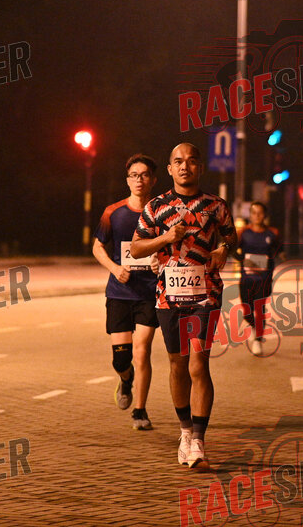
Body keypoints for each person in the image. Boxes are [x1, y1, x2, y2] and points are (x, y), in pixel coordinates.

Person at [131, 142, 236, 469]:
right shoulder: (156, 207)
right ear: (170, 168)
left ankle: (199, 442)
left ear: (200, 167)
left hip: (206, 295)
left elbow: (231, 237)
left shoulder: (216, 205)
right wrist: (165, 238)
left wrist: (223, 249)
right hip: (168, 298)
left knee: (198, 364)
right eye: (178, 161)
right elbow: (136, 248)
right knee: (177, 365)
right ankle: (186, 433)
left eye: (191, 161)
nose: (185, 166)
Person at [91, 154, 159, 430]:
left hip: (149, 293)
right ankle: (125, 378)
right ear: (127, 180)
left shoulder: (161, 212)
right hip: (119, 292)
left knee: (143, 351)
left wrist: (160, 261)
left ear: (153, 180)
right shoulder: (113, 212)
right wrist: (114, 268)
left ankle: (140, 411)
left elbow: (171, 246)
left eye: (144, 175)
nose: (139, 180)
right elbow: (97, 247)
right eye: (134, 175)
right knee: (121, 359)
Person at [235, 201, 283, 355]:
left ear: (265, 215)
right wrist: (243, 260)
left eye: (260, 213)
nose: (257, 216)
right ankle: (254, 327)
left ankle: (258, 340)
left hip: (264, 279)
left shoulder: (272, 233)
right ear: (250, 215)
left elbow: (279, 251)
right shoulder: (243, 232)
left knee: (260, 308)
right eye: (254, 213)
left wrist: (274, 260)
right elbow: (233, 249)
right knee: (247, 311)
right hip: (247, 279)